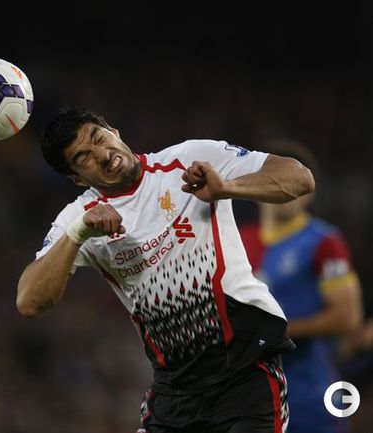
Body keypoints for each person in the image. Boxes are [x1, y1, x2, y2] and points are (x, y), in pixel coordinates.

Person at [17, 107, 315, 433]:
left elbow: (300, 178)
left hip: (247, 376)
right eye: (83, 157)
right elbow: (30, 302)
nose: (102, 155)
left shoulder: (188, 159)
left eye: (98, 138)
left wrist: (227, 187)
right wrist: (78, 233)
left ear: (114, 131)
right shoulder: (80, 218)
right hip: (175, 392)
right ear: (76, 178)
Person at [239, 140, 363, 433]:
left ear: (310, 191)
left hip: (307, 393)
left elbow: (348, 317)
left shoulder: (323, 242)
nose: (286, 189)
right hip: (246, 397)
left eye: (295, 181)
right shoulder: (236, 241)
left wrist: (276, 332)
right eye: (276, 179)